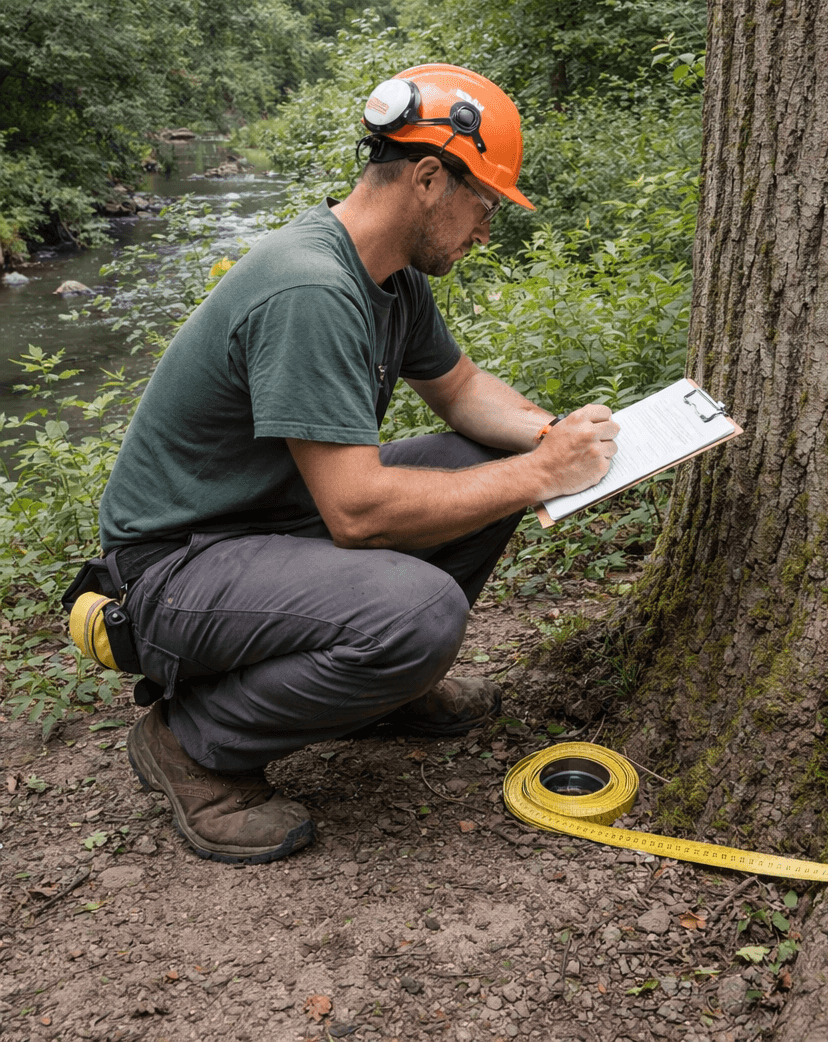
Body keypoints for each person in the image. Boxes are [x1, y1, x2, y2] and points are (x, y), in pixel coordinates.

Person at [99, 64, 619, 866]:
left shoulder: (390, 280)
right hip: (176, 566)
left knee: (483, 456)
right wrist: (543, 474)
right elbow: (359, 512)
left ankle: (383, 691)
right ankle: (190, 743)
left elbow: (465, 390)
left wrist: (555, 440)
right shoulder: (309, 288)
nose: (486, 230)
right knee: (419, 613)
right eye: (484, 205)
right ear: (427, 178)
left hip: (266, 523)